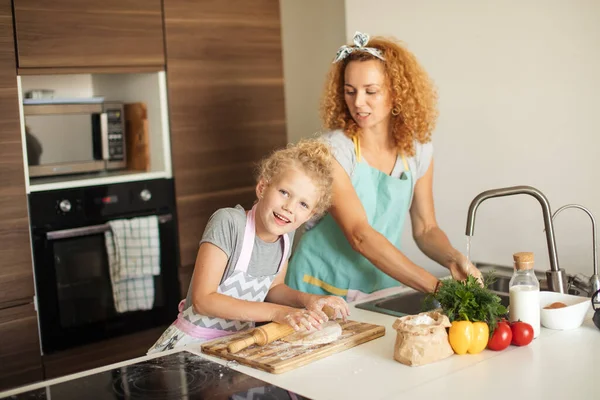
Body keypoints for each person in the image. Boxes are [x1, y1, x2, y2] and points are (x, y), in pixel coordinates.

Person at [285, 31, 483, 302]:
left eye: (371, 91)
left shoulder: (417, 151)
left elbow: (425, 229)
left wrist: (453, 258)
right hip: (319, 289)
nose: (358, 102)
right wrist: (438, 288)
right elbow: (360, 236)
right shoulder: (333, 151)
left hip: (379, 288)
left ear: (396, 93)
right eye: (350, 91)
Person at [148, 139, 349, 354]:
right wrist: (278, 313)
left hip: (239, 345)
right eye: (284, 192)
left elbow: (273, 289)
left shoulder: (286, 236)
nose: (289, 207)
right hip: (191, 345)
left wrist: (311, 300)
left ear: (310, 215)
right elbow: (203, 300)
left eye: (303, 204)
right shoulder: (229, 223)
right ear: (262, 187)